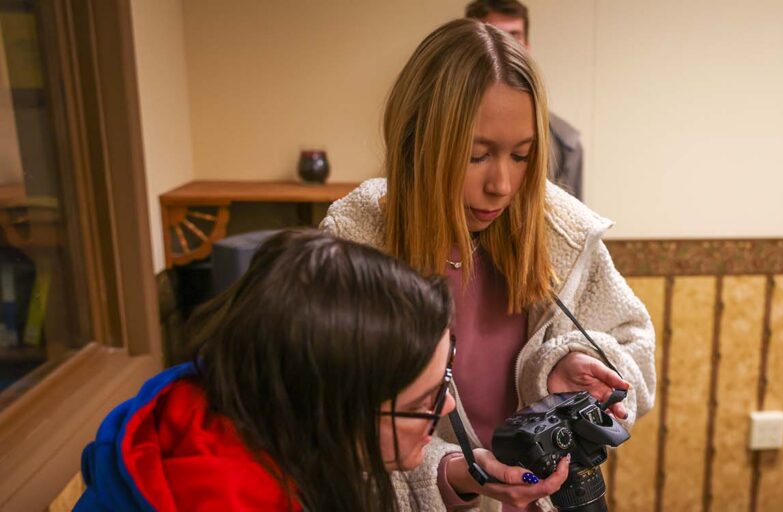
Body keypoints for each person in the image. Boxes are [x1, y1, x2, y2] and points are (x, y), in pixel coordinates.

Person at [320, 19, 655, 511]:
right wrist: (458, 472)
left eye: (522, 156)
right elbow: (336, 420)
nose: (502, 184)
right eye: (477, 156)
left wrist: (565, 363)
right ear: (420, 141)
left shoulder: (559, 230)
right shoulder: (357, 243)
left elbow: (635, 354)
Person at [73, 230, 456, 512]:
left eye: (444, 384)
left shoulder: (219, 411)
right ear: (324, 411)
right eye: (424, 401)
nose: (448, 405)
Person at [465, 0, 584, 201]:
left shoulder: (566, 143)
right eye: (477, 156)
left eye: (520, 156)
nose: (505, 46)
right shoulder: (434, 124)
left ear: (527, 45)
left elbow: (571, 225)